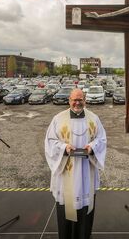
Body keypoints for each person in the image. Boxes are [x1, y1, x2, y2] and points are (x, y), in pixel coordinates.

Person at [44, 88, 107, 239]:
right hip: (67, 170)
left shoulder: (94, 118)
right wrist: (63, 148)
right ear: (69, 101)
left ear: (85, 100)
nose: (77, 103)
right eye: (74, 100)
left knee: (85, 213)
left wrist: (92, 147)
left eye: (80, 99)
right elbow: (50, 141)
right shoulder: (58, 118)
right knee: (66, 209)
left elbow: (102, 139)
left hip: (86, 171)